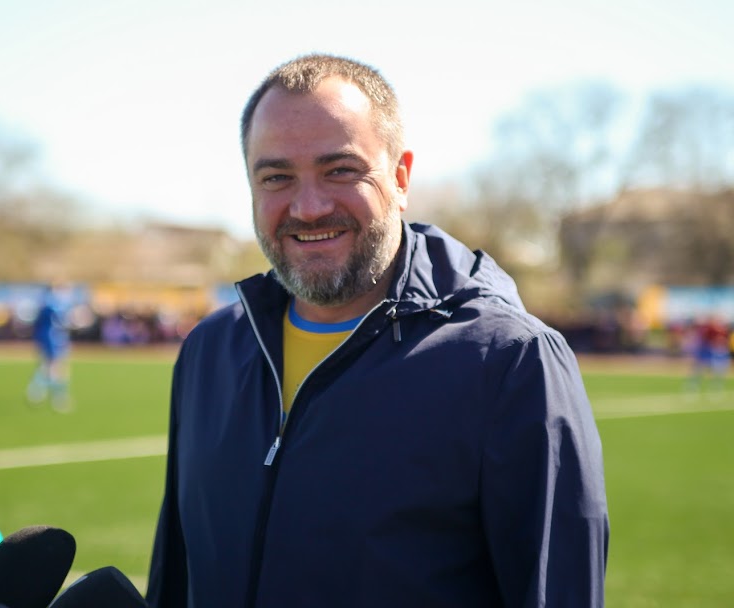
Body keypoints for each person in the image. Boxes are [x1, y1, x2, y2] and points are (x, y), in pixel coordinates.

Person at [146, 54, 609, 607]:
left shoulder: (510, 362)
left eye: (340, 170)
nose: (308, 207)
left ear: (401, 177)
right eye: (276, 177)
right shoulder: (208, 351)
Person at [26, 283, 72, 412]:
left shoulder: (50, 306)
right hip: (52, 340)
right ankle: (56, 396)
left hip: (55, 340)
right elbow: (56, 324)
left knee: (51, 367)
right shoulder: (52, 307)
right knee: (55, 367)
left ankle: (38, 390)